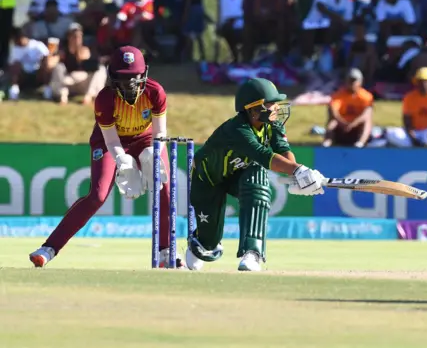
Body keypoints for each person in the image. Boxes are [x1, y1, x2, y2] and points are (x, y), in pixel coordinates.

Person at [29, 46, 178, 268]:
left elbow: (160, 134)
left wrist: (151, 154)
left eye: (133, 78)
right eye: (123, 78)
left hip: (147, 140)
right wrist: (123, 160)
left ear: (144, 74)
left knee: (165, 190)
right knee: (97, 196)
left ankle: (165, 252)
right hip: (110, 141)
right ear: (112, 76)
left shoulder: (155, 92)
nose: (129, 84)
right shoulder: (105, 99)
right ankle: (49, 248)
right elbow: (110, 140)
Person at [186, 78, 325, 272]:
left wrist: (297, 175)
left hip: (240, 172)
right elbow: (263, 155)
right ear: (253, 110)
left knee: (257, 179)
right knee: (208, 245)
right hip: (208, 179)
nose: (276, 108)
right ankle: (201, 243)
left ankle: (252, 252)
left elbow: (282, 149)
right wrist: (298, 170)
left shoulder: (272, 123)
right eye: (270, 104)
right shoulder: (237, 130)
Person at [385, 67, 427, 149]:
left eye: (426, 81)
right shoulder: (409, 97)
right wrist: (412, 136)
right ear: (417, 82)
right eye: (421, 81)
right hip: (415, 132)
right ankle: (418, 146)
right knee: (392, 133)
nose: (423, 83)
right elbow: (407, 121)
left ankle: (425, 147)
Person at [323, 68, 374, 148]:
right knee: (332, 122)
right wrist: (343, 123)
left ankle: (360, 143)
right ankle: (326, 143)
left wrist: (353, 124)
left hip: (356, 126)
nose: (352, 83)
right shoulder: (338, 95)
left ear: (360, 82)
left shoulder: (366, 96)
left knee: (367, 122)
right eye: (350, 80)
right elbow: (334, 112)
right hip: (341, 125)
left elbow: (366, 114)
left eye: (354, 81)